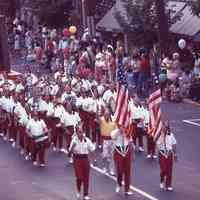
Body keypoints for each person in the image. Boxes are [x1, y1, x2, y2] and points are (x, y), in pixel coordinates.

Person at [68, 123, 95, 200]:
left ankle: (86, 194)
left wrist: (94, 160)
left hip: (85, 159)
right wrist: (72, 147)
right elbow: (69, 154)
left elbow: (92, 149)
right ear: (76, 133)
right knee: (79, 177)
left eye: (82, 132)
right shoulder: (74, 141)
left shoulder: (87, 140)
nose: (81, 133)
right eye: (79, 132)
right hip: (77, 159)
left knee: (86, 177)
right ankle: (78, 190)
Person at [111, 125, 133, 195]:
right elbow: (113, 137)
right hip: (118, 152)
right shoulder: (114, 132)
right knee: (120, 170)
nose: (122, 126)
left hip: (127, 152)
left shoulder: (127, 131)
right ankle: (119, 183)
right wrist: (119, 131)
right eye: (121, 125)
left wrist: (132, 153)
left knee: (127, 171)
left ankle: (127, 190)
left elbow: (130, 141)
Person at [157, 121, 177, 191]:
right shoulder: (160, 135)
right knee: (163, 169)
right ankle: (162, 179)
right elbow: (158, 146)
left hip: (169, 154)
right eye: (163, 127)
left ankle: (169, 185)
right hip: (162, 154)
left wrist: (175, 154)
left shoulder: (171, 135)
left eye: (166, 127)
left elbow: (174, 144)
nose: (164, 128)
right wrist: (162, 137)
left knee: (169, 170)